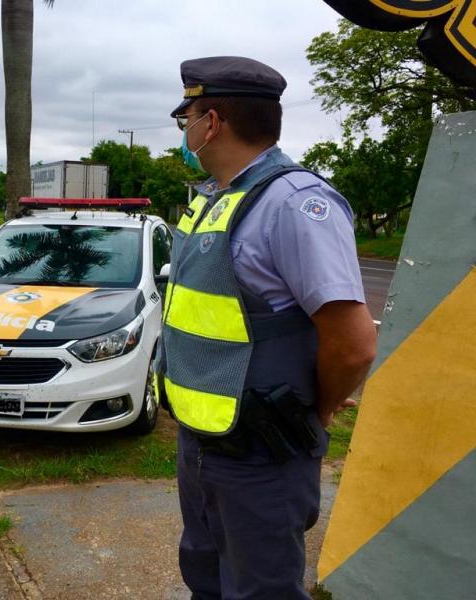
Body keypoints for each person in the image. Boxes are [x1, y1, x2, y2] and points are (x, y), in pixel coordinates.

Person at [159, 56, 377, 599]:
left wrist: (318, 409)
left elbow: (352, 343)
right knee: (205, 576)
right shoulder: (216, 199)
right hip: (204, 442)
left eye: (185, 116)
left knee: (261, 590)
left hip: (263, 453)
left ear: (211, 122)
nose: (184, 130)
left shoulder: (294, 204)